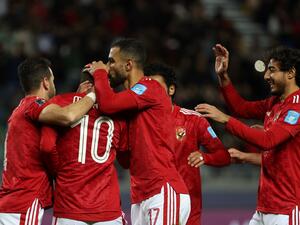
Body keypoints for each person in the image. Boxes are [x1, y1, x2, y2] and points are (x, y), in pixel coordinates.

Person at [86, 38, 191, 225]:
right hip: (140, 195)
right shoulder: (128, 103)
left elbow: (108, 104)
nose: (107, 66)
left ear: (128, 65)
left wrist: (100, 74)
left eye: (111, 61)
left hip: (162, 189)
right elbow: (126, 161)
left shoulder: (150, 87)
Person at [195, 44, 300, 225]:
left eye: (272, 70)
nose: (266, 76)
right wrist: (223, 76)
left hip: (286, 209)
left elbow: (268, 140)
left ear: (290, 73)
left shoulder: (297, 107)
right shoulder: (274, 103)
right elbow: (240, 108)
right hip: (264, 207)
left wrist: (225, 119)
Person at [0, 58, 96, 225]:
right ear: (45, 82)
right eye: (52, 80)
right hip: (24, 202)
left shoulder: (20, 109)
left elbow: (58, 113)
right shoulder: (34, 105)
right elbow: (67, 116)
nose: (53, 84)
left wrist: (76, 97)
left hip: (13, 203)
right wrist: (92, 96)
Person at [142, 63, 231, 225]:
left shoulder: (193, 120)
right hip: (149, 202)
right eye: (147, 88)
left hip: (186, 206)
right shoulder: (139, 121)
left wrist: (205, 157)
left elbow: (223, 156)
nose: (151, 92)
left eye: (157, 87)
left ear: (171, 90)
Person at [39, 70, 128, 225]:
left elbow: (46, 147)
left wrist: (58, 171)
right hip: (107, 209)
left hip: (69, 207)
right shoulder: (118, 112)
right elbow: (126, 157)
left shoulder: (59, 103)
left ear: (84, 84)